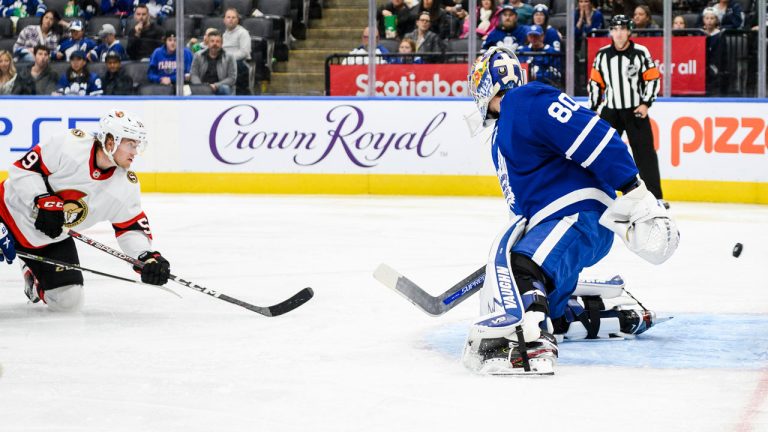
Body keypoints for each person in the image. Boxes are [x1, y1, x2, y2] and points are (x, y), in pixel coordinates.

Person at [463, 46, 679, 375]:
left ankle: (530, 344)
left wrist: (633, 187)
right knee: (529, 279)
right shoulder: (502, 132)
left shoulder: (525, 99)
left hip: (577, 214)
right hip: (560, 223)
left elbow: (591, 133)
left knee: (524, 268)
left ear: (486, 84)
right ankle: (588, 318)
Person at [0, 109, 171, 312]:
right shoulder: (70, 145)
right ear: (110, 141)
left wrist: (146, 256)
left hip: (50, 239)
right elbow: (23, 169)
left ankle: (33, 276)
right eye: (130, 144)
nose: (135, 151)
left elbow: (130, 226)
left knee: (68, 302)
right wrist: (41, 198)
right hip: (7, 213)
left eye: (137, 145)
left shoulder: (126, 186)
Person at [588, 15, 665, 203]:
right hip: (611, 110)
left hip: (635, 109)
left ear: (629, 31)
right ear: (611, 32)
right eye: (615, 29)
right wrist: (594, 108)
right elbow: (595, 83)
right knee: (601, 150)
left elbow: (653, 78)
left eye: (623, 29)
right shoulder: (602, 55)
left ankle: (654, 197)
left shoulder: (640, 52)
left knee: (645, 152)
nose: (619, 33)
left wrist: (646, 103)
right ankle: (599, 194)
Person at [190, 30, 236, 95]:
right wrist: (201, 87)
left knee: (225, 88)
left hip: (220, 87)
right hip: (202, 86)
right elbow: (193, 74)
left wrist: (215, 86)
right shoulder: (198, 55)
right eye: (212, 41)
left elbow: (232, 78)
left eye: (218, 42)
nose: (215, 44)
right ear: (208, 43)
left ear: (221, 44)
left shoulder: (229, 57)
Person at [222, 8, 252, 95]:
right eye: (228, 17)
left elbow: (244, 52)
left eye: (233, 17)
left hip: (240, 63)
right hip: (225, 62)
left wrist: (227, 59)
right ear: (224, 20)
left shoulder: (243, 33)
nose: (230, 19)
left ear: (237, 20)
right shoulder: (223, 34)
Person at [701, 7, 727, 96]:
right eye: (707, 18)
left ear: (716, 20)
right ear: (703, 20)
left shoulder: (720, 35)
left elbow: (719, 55)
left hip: (714, 67)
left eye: (712, 18)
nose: (709, 21)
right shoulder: (699, 33)